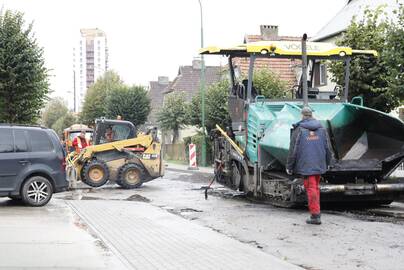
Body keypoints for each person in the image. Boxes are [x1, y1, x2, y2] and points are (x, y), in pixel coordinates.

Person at [286, 107, 333, 225]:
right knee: (315, 188)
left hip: (306, 165)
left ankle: (315, 215)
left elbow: (293, 151)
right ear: (311, 115)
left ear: (302, 115)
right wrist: (328, 163)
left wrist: (289, 166)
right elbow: (328, 148)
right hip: (319, 164)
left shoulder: (299, 130)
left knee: (311, 188)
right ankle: (316, 212)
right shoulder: (322, 129)